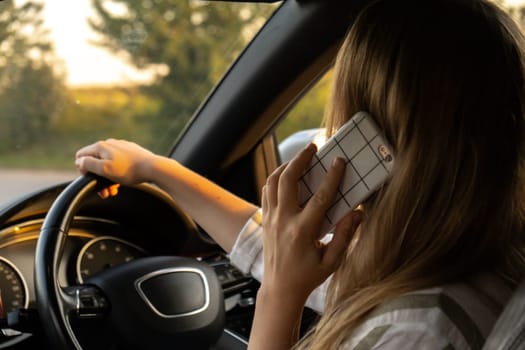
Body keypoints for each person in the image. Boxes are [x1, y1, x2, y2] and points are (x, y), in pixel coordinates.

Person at [75, 0, 525, 348]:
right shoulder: (465, 265)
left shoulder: (418, 329)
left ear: (376, 135)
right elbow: (267, 246)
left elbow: (288, 269)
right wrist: (159, 169)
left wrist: (280, 295)